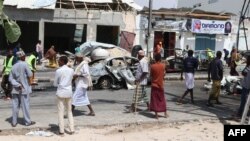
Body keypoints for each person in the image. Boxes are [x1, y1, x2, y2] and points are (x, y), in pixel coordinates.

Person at [8, 50, 36, 127]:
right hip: (24, 89)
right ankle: (27, 122)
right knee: (25, 106)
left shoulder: (13, 66)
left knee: (15, 106)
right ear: (22, 57)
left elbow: (10, 79)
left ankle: (14, 122)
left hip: (15, 89)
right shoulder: (25, 64)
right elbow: (30, 74)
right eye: (24, 56)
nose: (25, 57)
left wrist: (17, 84)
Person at [54, 56, 74, 135]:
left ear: (62, 61)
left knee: (60, 112)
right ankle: (72, 129)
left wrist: (60, 83)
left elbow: (55, 83)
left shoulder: (58, 71)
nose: (58, 62)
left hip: (61, 93)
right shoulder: (71, 70)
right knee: (69, 111)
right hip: (69, 92)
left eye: (59, 61)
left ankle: (61, 131)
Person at [150, 54, 167, 119]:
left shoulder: (152, 66)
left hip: (154, 84)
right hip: (161, 85)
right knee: (162, 99)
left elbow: (151, 75)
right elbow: (164, 74)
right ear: (160, 59)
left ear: (155, 59)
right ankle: (165, 114)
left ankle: (156, 115)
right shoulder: (163, 66)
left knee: (155, 100)